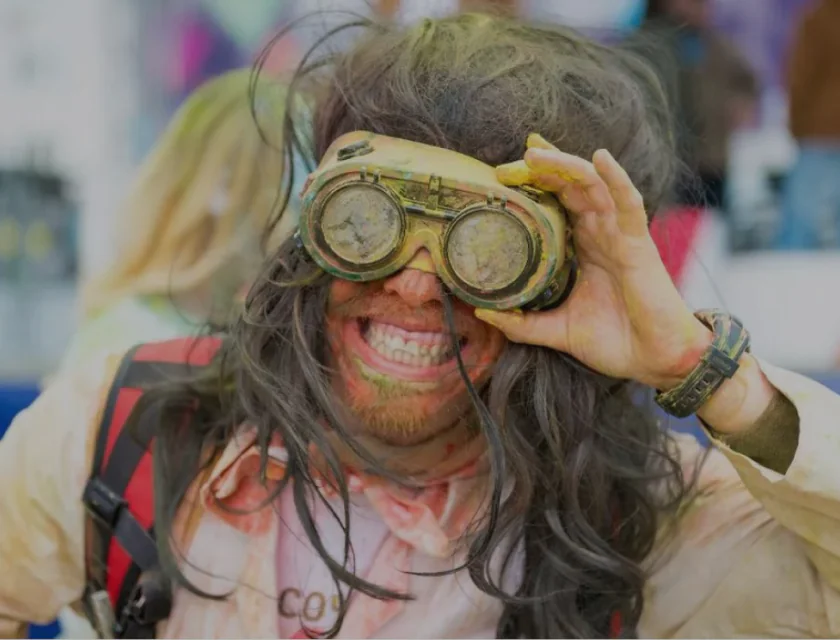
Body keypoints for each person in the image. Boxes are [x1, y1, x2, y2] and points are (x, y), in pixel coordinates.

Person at [2, 12, 839, 639]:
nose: (412, 283)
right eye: (366, 225)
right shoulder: (132, 432)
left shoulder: (644, 525)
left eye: (488, 250)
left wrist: (706, 368)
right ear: (311, 228)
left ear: (564, 279)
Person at [56, 69, 298, 372]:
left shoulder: (241, 330)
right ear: (224, 189)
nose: (291, 221)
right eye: (282, 187)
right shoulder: (130, 341)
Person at [637, 0, 758, 213]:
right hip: (671, 158)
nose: (703, 9)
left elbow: (747, 78)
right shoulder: (651, 42)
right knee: (677, 220)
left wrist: (743, 102)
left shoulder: (716, 44)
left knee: (711, 222)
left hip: (712, 155)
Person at [776, 0, 840, 250]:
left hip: (819, 129)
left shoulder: (818, 19)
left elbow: (801, 76)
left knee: (801, 217)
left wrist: (797, 124)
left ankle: (789, 270)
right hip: (820, 128)